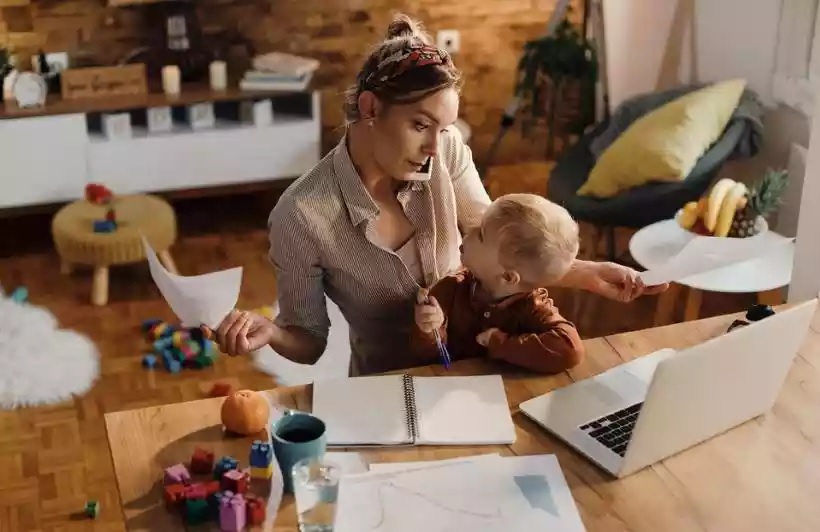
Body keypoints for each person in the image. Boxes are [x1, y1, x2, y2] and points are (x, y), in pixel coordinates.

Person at [209, 14, 667, 376]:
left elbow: (501, 243)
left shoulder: (445, 151)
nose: (435, 146)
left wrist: (585, 273)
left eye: (443, 128)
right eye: (420, 125)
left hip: (478, 374)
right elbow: (308, 342)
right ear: (370, 108)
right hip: (387, 389)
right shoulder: (300, 216)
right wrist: (273, 333)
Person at [412, 193, 584, 373]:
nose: (468, 229)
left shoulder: (533, 306)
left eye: (480, 234)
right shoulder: (448, 290)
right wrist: (428, 330)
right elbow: (425, 359)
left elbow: (570, 350)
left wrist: (499, 342)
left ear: (508, 277)